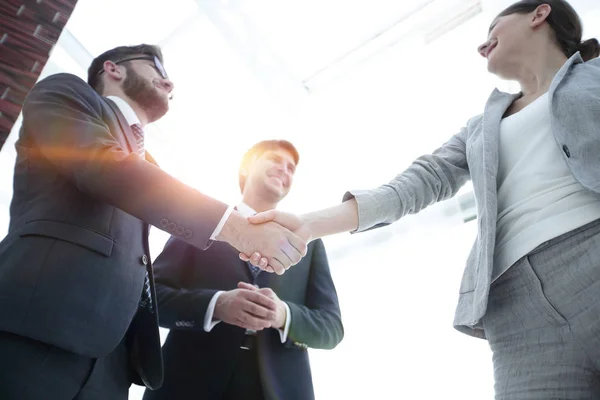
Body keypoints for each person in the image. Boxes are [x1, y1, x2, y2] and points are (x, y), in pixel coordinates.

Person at [244, 1, 600, 398]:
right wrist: (310, 224)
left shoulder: (595, 75)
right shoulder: (481, 126)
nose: (482, 47)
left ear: (539, 14)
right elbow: (417, 184)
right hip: (514, 306)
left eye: (493, 28)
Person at [0, 44, 305, 400]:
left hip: (110, 366)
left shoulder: (151, 164)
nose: (169, 81)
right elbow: (104, 165)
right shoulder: (66, 92)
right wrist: (237, 228)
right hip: (32, 329)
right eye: (156, 67)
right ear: (112, 69)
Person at [143, 139, 343, 400]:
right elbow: (150, 297)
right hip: (186, 384)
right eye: (275, 159)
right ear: (247, 167)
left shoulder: (308, 245)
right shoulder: (202, 221)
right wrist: (215, 305)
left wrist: (284, 315)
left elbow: (331, 328)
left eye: (291, 168)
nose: (285, 169)